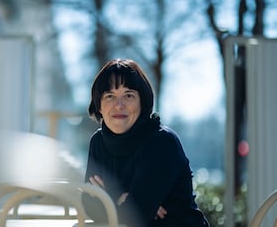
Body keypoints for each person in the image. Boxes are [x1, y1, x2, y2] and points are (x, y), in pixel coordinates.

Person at [81, 58, 210, 227]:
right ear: (99, 106)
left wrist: (109, 195)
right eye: (110, 96)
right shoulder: (98, 142)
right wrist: (123, 199)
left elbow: (136, 217)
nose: (119, 105)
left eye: (128, 95)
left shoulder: (162, 142)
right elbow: (89, 205)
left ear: (142, 102)